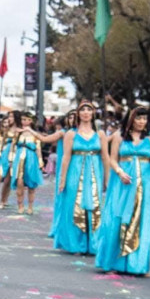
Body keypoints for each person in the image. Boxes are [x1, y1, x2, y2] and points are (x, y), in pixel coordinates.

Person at [95, 107, 150, 275]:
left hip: (145, 184)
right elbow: (112, 159)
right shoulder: (119, 136)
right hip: (123, 183)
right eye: (138, 118)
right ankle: (115, 262)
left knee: (143, 221)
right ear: (131, 118)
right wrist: (119, 172)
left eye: (144, 118)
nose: (141, 122)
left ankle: (138, 265)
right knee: (117, 220)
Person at [54, 101, 109, 254]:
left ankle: (94, 244)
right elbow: (66, 157)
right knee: (74, 206)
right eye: (82, 110)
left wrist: (107, 178)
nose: (85, 112)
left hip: (94, 172)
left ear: (93, 113)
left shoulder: (101, 134)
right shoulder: (71, 134)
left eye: (89, 110)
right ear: (78, 113)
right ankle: (75, 245)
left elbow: (105, 157)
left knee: (94, 206)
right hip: (75, 172)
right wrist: (62, 179)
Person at [9, 113, 47, 215]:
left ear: (31, 121)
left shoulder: (35, 134)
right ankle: (20, 205)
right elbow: (13, 146)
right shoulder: (18, 133)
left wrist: (40, 162)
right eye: (23, 119)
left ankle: (30, 206)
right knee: (19, 183)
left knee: (31, 184)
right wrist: (11, 160)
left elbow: (38, 149)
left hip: (31, 159)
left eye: (27, 119)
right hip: (19, 158)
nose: (24, 121)